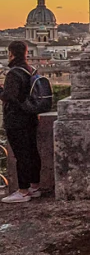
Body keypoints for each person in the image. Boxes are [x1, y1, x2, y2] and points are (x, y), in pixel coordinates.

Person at [0, 41, 42, 203]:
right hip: (31, 117)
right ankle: (34, 186)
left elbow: (9, 97)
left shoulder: (14, 73)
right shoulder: (30, 69)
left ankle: (23, 191)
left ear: (11, 53)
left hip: (17, 120)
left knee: (21, 155)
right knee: (32, 152)